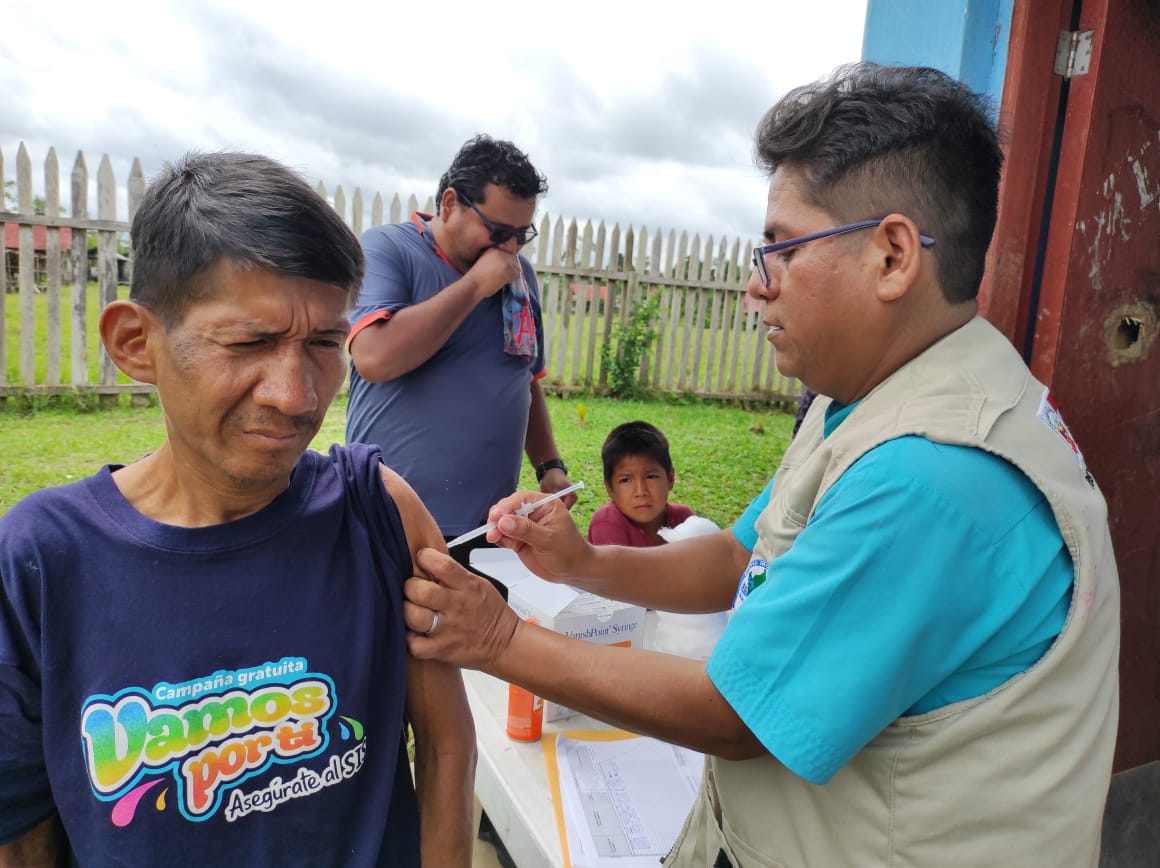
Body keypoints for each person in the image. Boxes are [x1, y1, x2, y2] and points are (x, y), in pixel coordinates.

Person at [402, 63, 1121, 867]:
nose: (754, 287)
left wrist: (496, 636)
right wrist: (583, 564)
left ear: (891, 257)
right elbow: (745, 556)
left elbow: (735, 715)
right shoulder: (874, 398)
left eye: (780, 249)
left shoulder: (932, 475)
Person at [0, 153, 476, 867]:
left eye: (322, 343)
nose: (296, 395)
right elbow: (22, 825)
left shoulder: (377, 513)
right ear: (137, 343)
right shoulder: (44, 557)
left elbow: (445, 746)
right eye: (249, 341)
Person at [344, 134, 574, 574]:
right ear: (450, 204)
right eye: (498, 231)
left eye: (521, 234)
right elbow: (374, 357)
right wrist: (473, 287)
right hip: (390, 518)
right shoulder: (389, 249)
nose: (510, 248)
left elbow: (524, 377)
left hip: (489, 528)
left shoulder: (519, 274)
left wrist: (549, 466)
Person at [587, 420, 695, 547]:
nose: (641, 491)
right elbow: (617, 566)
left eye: (651, 477)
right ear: (610, 488)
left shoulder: (683, 519)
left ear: (670, 478)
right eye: (625, 480)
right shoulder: (606, 521)